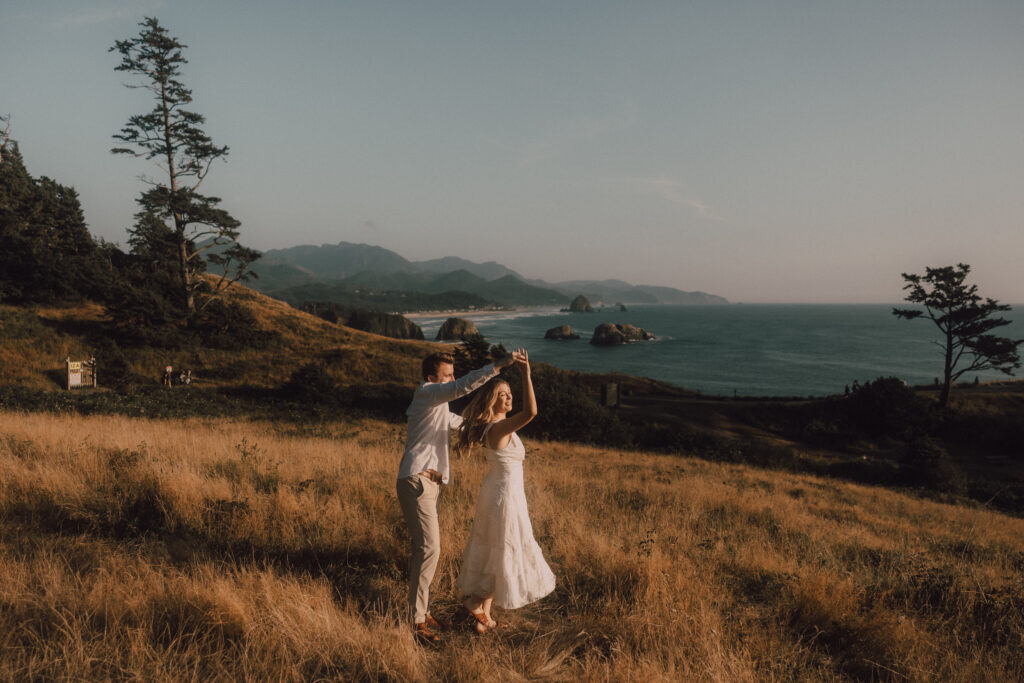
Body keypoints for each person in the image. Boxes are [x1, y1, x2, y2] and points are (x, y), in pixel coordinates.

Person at [396, 349, 521, 645]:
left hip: (426, 484)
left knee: (426, 550)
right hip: (418, 481)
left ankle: (421, 612)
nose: (452, 378)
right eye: (447, 374)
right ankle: (416, 621)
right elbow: (461, 386)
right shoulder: (426, 394)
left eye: (453, 373)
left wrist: (494, 421)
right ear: (431, 379)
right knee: (429, 550)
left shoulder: (436, 408)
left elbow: (465, 425)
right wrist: (497, 367)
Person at [455, 350, 555, 633]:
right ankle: (474, 603)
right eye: (502, 394)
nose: (509, 397)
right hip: (504, 497)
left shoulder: (496, 427)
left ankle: (484, 617)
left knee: (497, 551)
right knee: (503, 549)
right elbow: (532, 412)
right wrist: (526, 375)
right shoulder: (499, 428)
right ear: (492, 400)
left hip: (501, 493)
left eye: (510, 392)